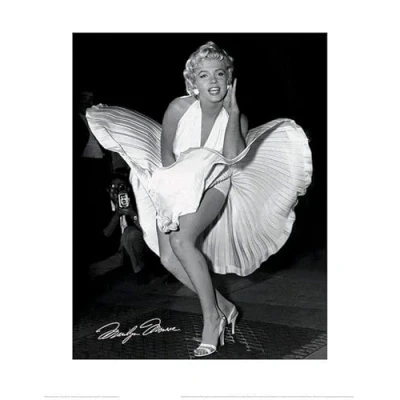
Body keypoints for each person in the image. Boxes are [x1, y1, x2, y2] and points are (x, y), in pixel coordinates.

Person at [85, 42, 313, 357]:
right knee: (168, 259)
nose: (213, 81)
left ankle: (212, 320)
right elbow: (166, 157)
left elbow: (233, 158)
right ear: (193, 81)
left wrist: (233, 113)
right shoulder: (178, 109)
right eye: (204, 75)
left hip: (216, 183)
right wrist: (171, 200)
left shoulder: (238, 118)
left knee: (182, 242)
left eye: (220, 73)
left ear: (230, 78)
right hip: (173, 182)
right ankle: (224, 307)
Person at [88, 170, 148, 283]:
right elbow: (104, 236)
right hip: (117, 252)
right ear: (108, 190)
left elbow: (148, 231)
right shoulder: (101, 207)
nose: (117, 191)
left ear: (128, 189)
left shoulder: (138, 202)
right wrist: (117, 215)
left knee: (130, 233)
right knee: (92, 270)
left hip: (139, 247)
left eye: (121, 187)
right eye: (113, 188)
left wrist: (132, 214)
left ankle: (140, 271)